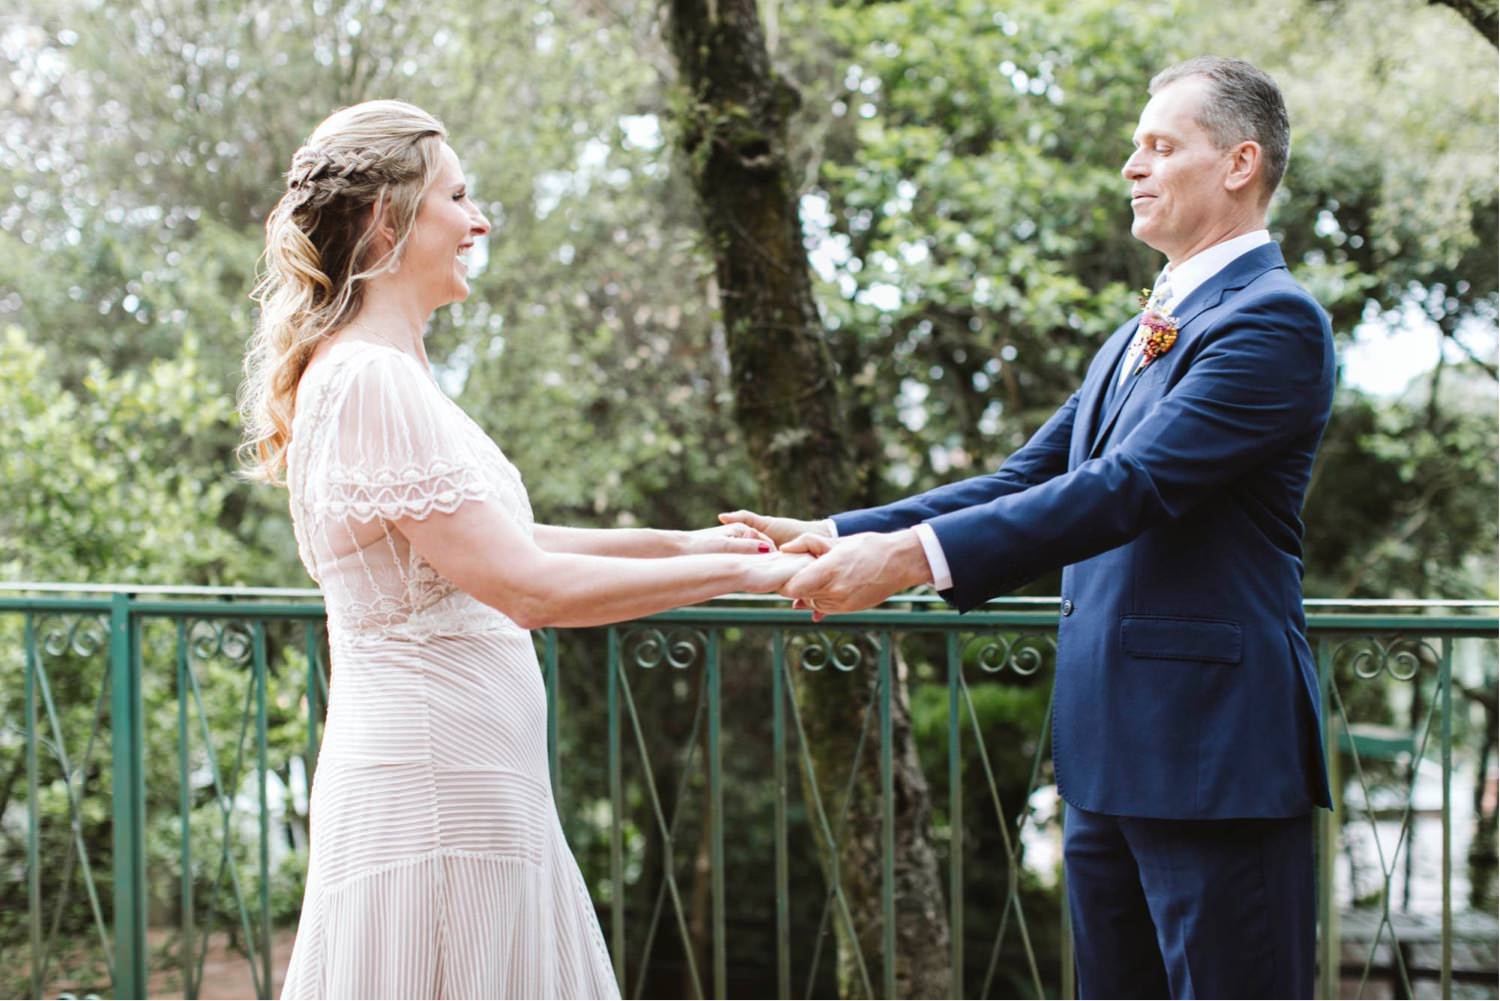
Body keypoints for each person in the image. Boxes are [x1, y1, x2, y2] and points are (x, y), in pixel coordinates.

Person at [724, 57, 1335, 998]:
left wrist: (906, 560)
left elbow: (1128, 486)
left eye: (1161, 146)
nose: (1132, 165)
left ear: (1240, 163)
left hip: (1214, 758)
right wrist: (838, 529)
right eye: (1135, 145)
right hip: (1104, 757)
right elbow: (1026, 478)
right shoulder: (1138, 332)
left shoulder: (1274, 322)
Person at [239, 99, 808, 1000]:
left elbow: (502, 541)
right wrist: (750, 573)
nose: (479, 222)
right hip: (436, 794)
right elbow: (526, 587)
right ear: (387, 220)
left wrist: (682, 541)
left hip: (470, 783)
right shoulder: (373, 379)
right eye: (457, 197)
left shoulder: (386, 373)